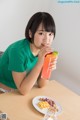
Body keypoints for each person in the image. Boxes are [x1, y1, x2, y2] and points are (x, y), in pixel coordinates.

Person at [0, 12, 57, 95]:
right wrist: (40, 62)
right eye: (41, 33)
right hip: (5, 89)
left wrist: (48, 67)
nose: (47, 39)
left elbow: (42, 84)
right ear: (30, 33)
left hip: (19, 89)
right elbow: (23, 90)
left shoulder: (43, 51)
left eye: (50, 34)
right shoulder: (18, 51)